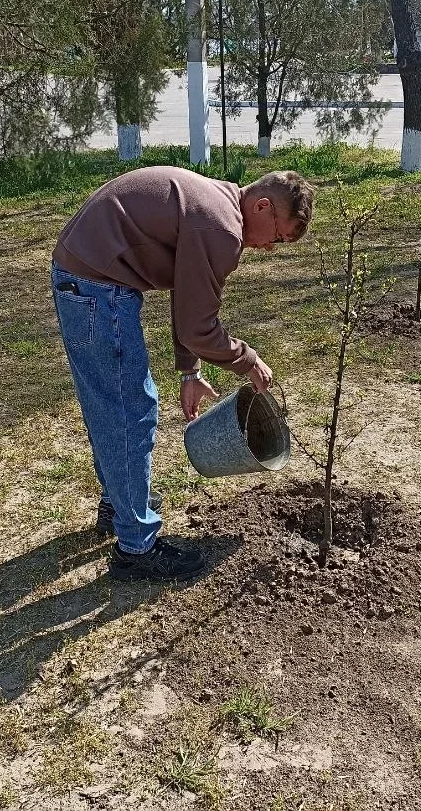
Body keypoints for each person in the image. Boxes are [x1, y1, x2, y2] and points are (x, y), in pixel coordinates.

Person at [51, 165, 315, 581]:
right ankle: (137, 548)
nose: (271, 247)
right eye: (279, 235)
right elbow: (198, 327)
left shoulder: (218, 202)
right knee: (129, 410)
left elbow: (185, 292)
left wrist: (189, 370)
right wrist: (248, 359)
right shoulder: (222, 230)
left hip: (84, 276)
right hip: (96, 286)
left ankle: (118, 505)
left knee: (110, 404)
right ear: (262, 206)